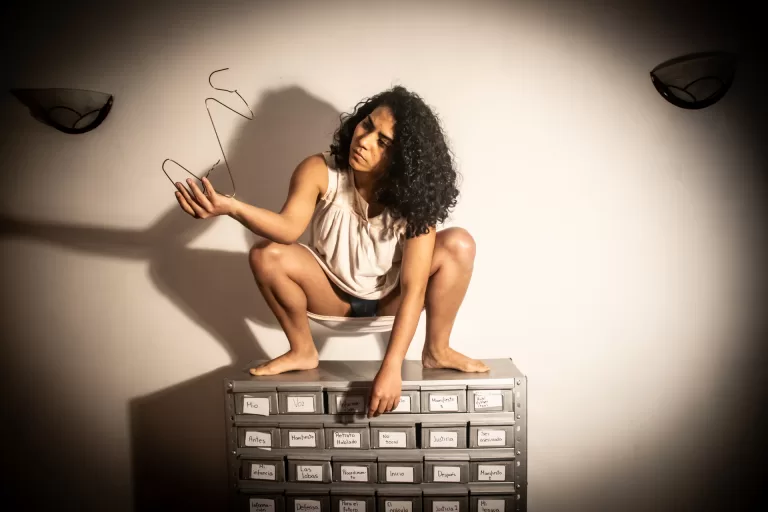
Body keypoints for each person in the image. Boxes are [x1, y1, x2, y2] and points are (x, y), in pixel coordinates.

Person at [173, 85, 489, 417]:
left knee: (459, 243)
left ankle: (437, 349)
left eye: (383, 142)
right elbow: (288, 228)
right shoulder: (319, 169)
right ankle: (302, 349)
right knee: (266, 254)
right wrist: (231, 207)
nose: (364, 141)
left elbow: (413, 290)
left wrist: (391, 368)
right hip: (331, 296)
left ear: (403, 159)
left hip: (390, 300)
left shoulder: (416, 196)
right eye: (367, 125)